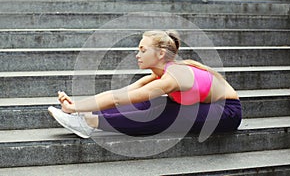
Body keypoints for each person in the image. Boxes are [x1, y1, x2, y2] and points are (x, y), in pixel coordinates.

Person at [48, 30, 242, 138]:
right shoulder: (159, 75)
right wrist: (77, 106)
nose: (137, 54)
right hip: (204, 105)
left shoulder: (174, 76)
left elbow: (116, 99)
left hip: (226, 112)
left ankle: (91, 122)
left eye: (142, 49)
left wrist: (74, 108)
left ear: (159, 54)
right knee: (146, 103)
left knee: (164, 113)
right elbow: (121, 93)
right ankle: (85, 117)